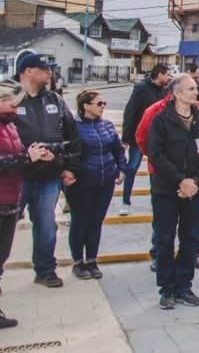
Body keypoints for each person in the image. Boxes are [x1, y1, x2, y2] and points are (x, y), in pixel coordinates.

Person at [147, 74, 199, 309]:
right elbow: (156, 155)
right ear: (176, 93)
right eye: (190, 88)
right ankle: (167, 288)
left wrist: (195, 181)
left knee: (191, 239)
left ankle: (184, 286)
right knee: (165, 238)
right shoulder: (161, 120)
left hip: (195, 189)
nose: (195, 92)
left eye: (196, 88)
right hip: (167, 190)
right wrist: (181, 181)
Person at [12, 53, 80, 288]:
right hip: (15, 178)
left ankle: (45, 271)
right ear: (28, 71)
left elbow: (72, 136)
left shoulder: (55, 100)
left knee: (46, 226)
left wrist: (68, 164)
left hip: (48, 176)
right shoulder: (9, 98)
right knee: (4, 229)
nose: (50, 71)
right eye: (44, 68)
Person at [0, 81, 54, 328]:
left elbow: (18, 159)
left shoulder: (9, 126)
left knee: (2, 256)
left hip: (10, 200)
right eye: (10, 101)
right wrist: (25, 157)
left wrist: (35, 156)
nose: (15, 106)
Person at [67, 91, 127, 280]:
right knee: (80, 221)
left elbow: (117, 149)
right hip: (82, 181)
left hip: (105, 180)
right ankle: (78, 261)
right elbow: (69, 152)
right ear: (85, 105)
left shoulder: (107, 126)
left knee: (96, 221)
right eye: (99, 103)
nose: (102, 106)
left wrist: (122, 168)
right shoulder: (73, 127)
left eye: (104, 103)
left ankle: (92, 260)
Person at [119, 64, 170, 216]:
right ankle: (125, 201)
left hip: (157, 136)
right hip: (138, 135)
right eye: (167, 74)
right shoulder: (141, 88)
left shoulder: (164, 90)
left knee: (156, 169)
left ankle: (156, 201)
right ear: (159, 74)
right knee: (133, 167)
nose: (168, 78)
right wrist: (126, 137)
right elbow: (130, 111)